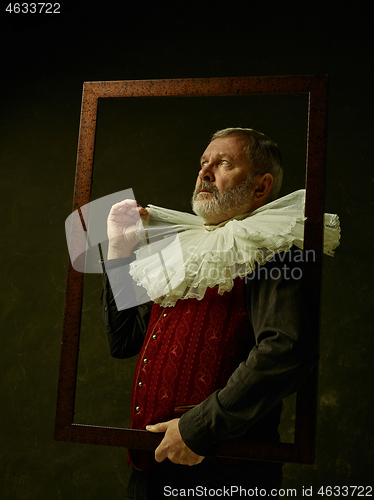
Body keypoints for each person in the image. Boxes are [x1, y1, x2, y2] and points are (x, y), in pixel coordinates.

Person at [101, 128, 336, 499]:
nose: (205, 173)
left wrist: (196, 430)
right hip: (151, 467)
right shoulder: (182, 248)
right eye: (203, 163)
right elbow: (123, 339)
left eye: (223, 163)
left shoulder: (270, 247)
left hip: (224, 469)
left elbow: (287, 349)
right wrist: (118, 251)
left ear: (261, 187)